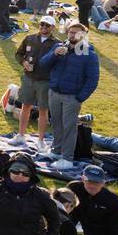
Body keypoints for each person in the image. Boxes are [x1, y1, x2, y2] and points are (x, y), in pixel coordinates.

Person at [38, 21, 100, 171]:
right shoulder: (59, 47)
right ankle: (57, 151)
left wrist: (79, 98)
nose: (73, 35)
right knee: (56, 123)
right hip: (54, 93)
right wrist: (54, 54)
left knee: (69, 127)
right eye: (71, 32)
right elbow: (43, 64)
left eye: (77, 32)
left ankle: (67, 158)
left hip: (71, 97)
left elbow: (93, 79)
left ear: (83, 35)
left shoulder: (89, 54)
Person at [11, 16, 58, 149]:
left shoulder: (57, 44)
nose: (43, 27)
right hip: (28, 78)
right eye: (42, 24)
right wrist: (23, 62)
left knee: (44, 111)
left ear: (53, 27)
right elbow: (18, 54)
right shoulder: (29, 38)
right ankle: (20, 135)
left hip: (45, 81)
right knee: (25, 106)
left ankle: (41, 140)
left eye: (47, 25)